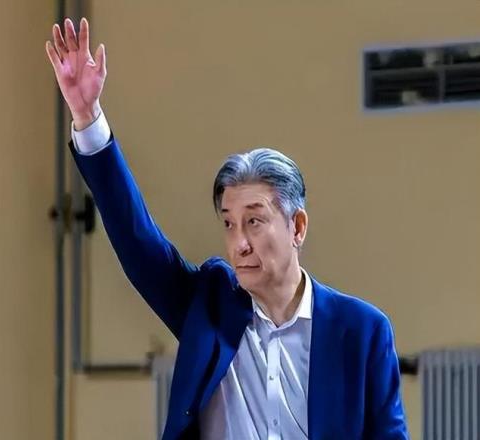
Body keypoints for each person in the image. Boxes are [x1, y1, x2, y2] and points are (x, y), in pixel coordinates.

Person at [46, 18, 409, 440]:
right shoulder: (210, 305)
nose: (239, 243)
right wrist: (87, 117)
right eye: (229, 224)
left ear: (297, 226)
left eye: (254, 221)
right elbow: (136, 239)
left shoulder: (362, 330)